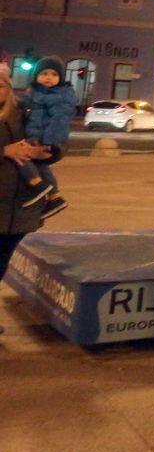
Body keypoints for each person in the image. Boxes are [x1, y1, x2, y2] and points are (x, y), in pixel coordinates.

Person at [0, 65, 53, 337]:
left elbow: (46, 141)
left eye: (1, 86)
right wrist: (4, 150)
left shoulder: (21, 113)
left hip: (20, 208)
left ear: (8, 88)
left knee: (2, 262)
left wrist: (44, 152)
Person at [18, 56, 74, 217]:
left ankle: (36, 185)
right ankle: (55, 197)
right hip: (36, 135)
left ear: (61, 78)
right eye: (44, 73)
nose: (48, 77)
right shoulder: (35, 93)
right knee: (41, 166)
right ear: (36, 77)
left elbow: (59, 120)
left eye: (54, 74)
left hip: (44, 139)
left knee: (21, 155)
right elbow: (25, 105)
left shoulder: (59, 97)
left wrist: (49, 143)